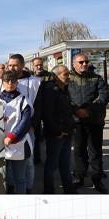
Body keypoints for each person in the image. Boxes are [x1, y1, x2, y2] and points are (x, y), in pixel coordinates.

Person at [69, 53, 109, 193]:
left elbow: (104, 96)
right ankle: (79, 177)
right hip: (76, 121)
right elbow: (65, 97)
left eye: (86, 62)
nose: (84, 64)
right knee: (79, 151)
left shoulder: (97, 78)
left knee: (95, 151)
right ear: (74, 63)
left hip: (95, 121)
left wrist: (88, 109)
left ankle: (97, 179)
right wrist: (76, 110)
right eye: (81, 62)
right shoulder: (68, 79)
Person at [0, 71, 34, 194]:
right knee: (4, 178)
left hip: (19, 144)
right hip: (0, 144)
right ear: (3, 83)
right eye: (7, 81)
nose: (10, 83)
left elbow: (25, 122)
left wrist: (12, 136)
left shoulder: (23, 99)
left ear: (17, 83)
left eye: (13, 81)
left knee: (20, 178)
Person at [41, 65, 77, 194]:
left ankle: (69, 190)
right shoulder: (50, 90)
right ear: (56, 77)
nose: (69, 77)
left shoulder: (65, 89)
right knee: (51, 165)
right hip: (56, 135)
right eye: (65, 74)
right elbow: (47, 114)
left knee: (65, 164)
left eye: (68, 74)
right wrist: (57, 131)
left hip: (67, 132)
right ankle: (49, 192)